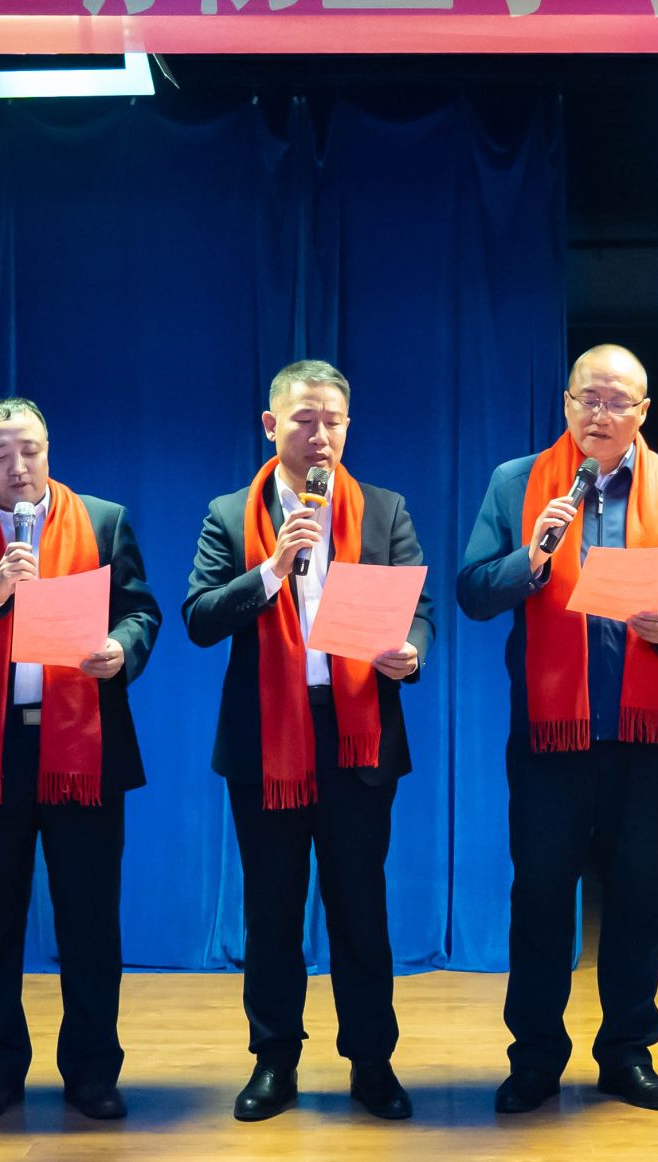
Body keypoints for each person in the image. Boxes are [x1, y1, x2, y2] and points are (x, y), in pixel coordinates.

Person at [456, 344, 658, 1114]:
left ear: (643, 412)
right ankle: (535, 1057)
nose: (600, 414)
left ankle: (627, 1053)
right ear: (566, 402)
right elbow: (473, 591)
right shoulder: (516, 482)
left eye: (618, 402)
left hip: (641, 737)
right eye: (588, 398)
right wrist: (530, 560)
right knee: (541, 898)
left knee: (640, 898)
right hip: (549, 737)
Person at [184, 361, 435, 1122]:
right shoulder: (230, 514)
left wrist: (410, 652)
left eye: (332, 420)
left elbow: (418, 608)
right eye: (303, 419)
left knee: (361, 906)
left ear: (347, 427)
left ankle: (372, 1060)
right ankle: (274, 1060)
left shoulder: (384, 508)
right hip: (268, 738)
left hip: (358, 737)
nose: (319, 433)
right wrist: (271, 569)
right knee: (272, 909)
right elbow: (200, 618)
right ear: (271, 426)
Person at [0, 398, 161, 1123]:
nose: (19, 467)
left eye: (31, 450)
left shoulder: (103, 521)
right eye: (0, 455)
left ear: (48, 449)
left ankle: (92, 1071)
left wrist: (121, 650)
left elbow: (141, 610)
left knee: (90, 923)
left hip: (85, 745)